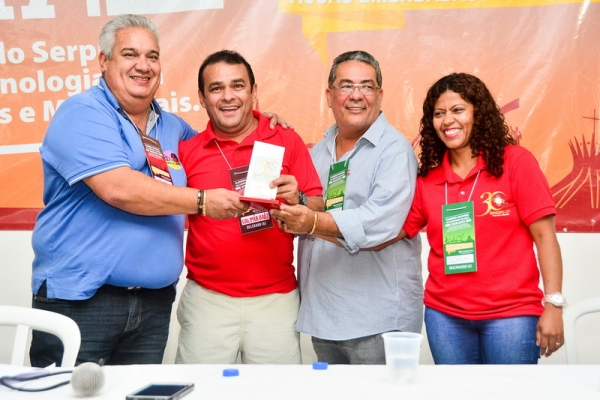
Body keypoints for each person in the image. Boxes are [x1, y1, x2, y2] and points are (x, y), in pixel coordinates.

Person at [29, 15, 286, 367]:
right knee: (70, 391)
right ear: (104, 60)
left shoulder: (172, 127)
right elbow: (118, 189)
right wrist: (202, 201)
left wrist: (256, 122)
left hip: (152, 305)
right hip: (83, 302)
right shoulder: (82, 113)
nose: (143, 65)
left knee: (140, 392)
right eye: (130, 54)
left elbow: (219, 148)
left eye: (152, 56)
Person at [271, 50, 423, 365]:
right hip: (324, 317)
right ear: (329, 96)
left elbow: (378, 225)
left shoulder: (394, 151)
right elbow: (304, 203)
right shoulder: (319, 151)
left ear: (380, 95)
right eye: (346, 86)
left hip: (377, 321)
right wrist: (268, 130)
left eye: (366, 86)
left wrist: (311, 223)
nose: (356, 95)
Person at [402, 72, 564, 364]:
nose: (448, 120)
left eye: (458, 109)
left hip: (511, 315)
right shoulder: (427, 179)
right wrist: (325, 223)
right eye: (439, 113)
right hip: (444, 317)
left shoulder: (515, 162)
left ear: (479, 113)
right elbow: (393, 231)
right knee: (455, 390)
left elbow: (545, 237)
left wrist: (553, 304)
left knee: (508, 389)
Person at [175, 50, 323, 365]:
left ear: (254, 92)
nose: (228, 96)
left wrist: (298, 199)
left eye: (238, 86)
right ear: (202, 97)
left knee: (276, 389)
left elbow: (318, 205)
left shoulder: (286, 139)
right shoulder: (187, 150)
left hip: (275, 301)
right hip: (207, 301)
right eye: (216, 88)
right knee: (201, 388)